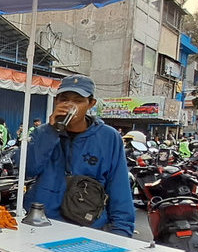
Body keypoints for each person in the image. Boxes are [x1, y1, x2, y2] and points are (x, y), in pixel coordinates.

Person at [24, 74, 134, 237]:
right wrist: (51, 132)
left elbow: (119, 189)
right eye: (64, 99)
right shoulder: (42, 133)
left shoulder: (108, 138)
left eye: (77, 100)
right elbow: (28, 169)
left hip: (86, 229)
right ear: (56, 101)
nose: (69, 105)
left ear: (91, 103)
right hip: (39, 225)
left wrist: (122, 233)